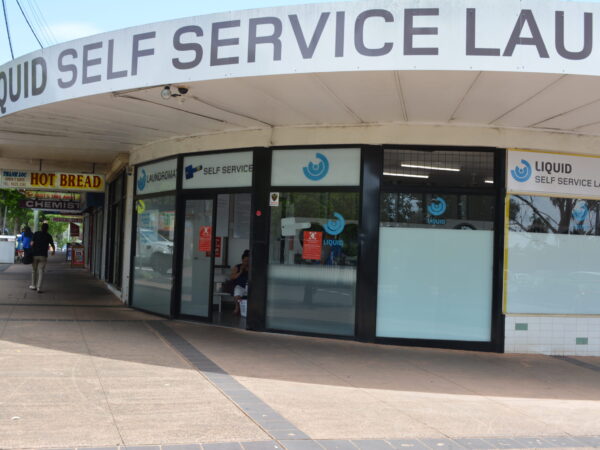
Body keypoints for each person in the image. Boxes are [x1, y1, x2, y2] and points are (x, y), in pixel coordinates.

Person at [29, 223, 55, 293]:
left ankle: (33, 285)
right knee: (41, 271)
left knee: (34, 270)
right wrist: (53, 251)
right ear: (47, 229)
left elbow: (31, 243)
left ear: (41, 228)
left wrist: (31, 247)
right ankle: (39, 288)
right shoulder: (48, 235)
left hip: (35, 255)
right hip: (43, 256)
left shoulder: (36, 233)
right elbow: (52, 244)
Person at [230, 250, 249, 315]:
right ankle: (237, 308)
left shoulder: (253, 267)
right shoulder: (237, 267)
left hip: (250, 286)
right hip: (240, 286)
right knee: (237, 291)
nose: (246, 263)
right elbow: (232, 277)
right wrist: (240, 272)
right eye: (245, 261)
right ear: (242, 260)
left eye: (248, 261)